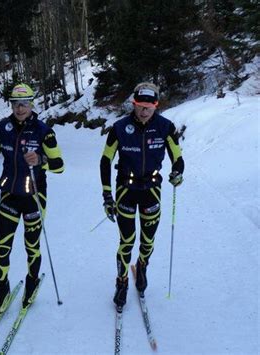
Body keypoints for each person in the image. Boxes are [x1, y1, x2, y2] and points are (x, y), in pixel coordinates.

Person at [0, 83, 64, 318]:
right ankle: (2, 288)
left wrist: (40, 160)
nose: (19, 108)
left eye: (24, 104)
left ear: (32, 104)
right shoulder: (3, 127)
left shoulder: (44, 131)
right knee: (2, 247)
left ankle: (31, 283)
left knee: (31, 246)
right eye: (15, 104)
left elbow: (59, 166)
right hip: (9, 196)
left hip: (34, 197)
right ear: (10, 105)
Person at [99, 82, 184, 309]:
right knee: (126, 241)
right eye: (140, 105)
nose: (144, 110)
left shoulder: (166, 127)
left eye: (149, 105)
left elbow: (178, 157)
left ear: (156, 105)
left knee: (147, 240)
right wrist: (107, 195)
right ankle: (122, 282)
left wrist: (177, 172)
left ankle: (143, 265)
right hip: (125, 191)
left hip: (151, 191)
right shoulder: (119, 128)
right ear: (133, 104)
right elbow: (105, 160)